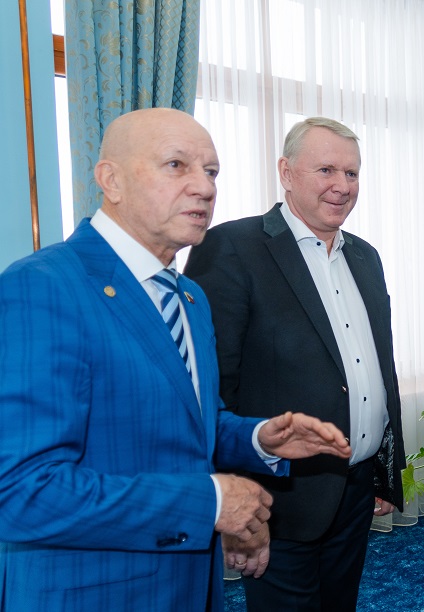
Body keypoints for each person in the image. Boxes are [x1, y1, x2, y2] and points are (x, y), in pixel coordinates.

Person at [0, 108, 354, 611]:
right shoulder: (42, 287)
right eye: (176, 165)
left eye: (211, 172)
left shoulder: (189, 297)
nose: (204, 187)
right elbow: (20, 491)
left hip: (188, 584)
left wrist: (257, 437)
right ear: (111, 180)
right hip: (96, 592)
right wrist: (209, 503)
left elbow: (187, 426)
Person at [185, 116, 405, 612]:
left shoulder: (366, 257)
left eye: (352, 173)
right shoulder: (230, 248)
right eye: (326, 170)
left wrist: (382, 474)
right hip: (276, 500)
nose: (342, 185)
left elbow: (378, 370)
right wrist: (235, 504)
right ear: (286, 172)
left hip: (354, 489)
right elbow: (211, 390)